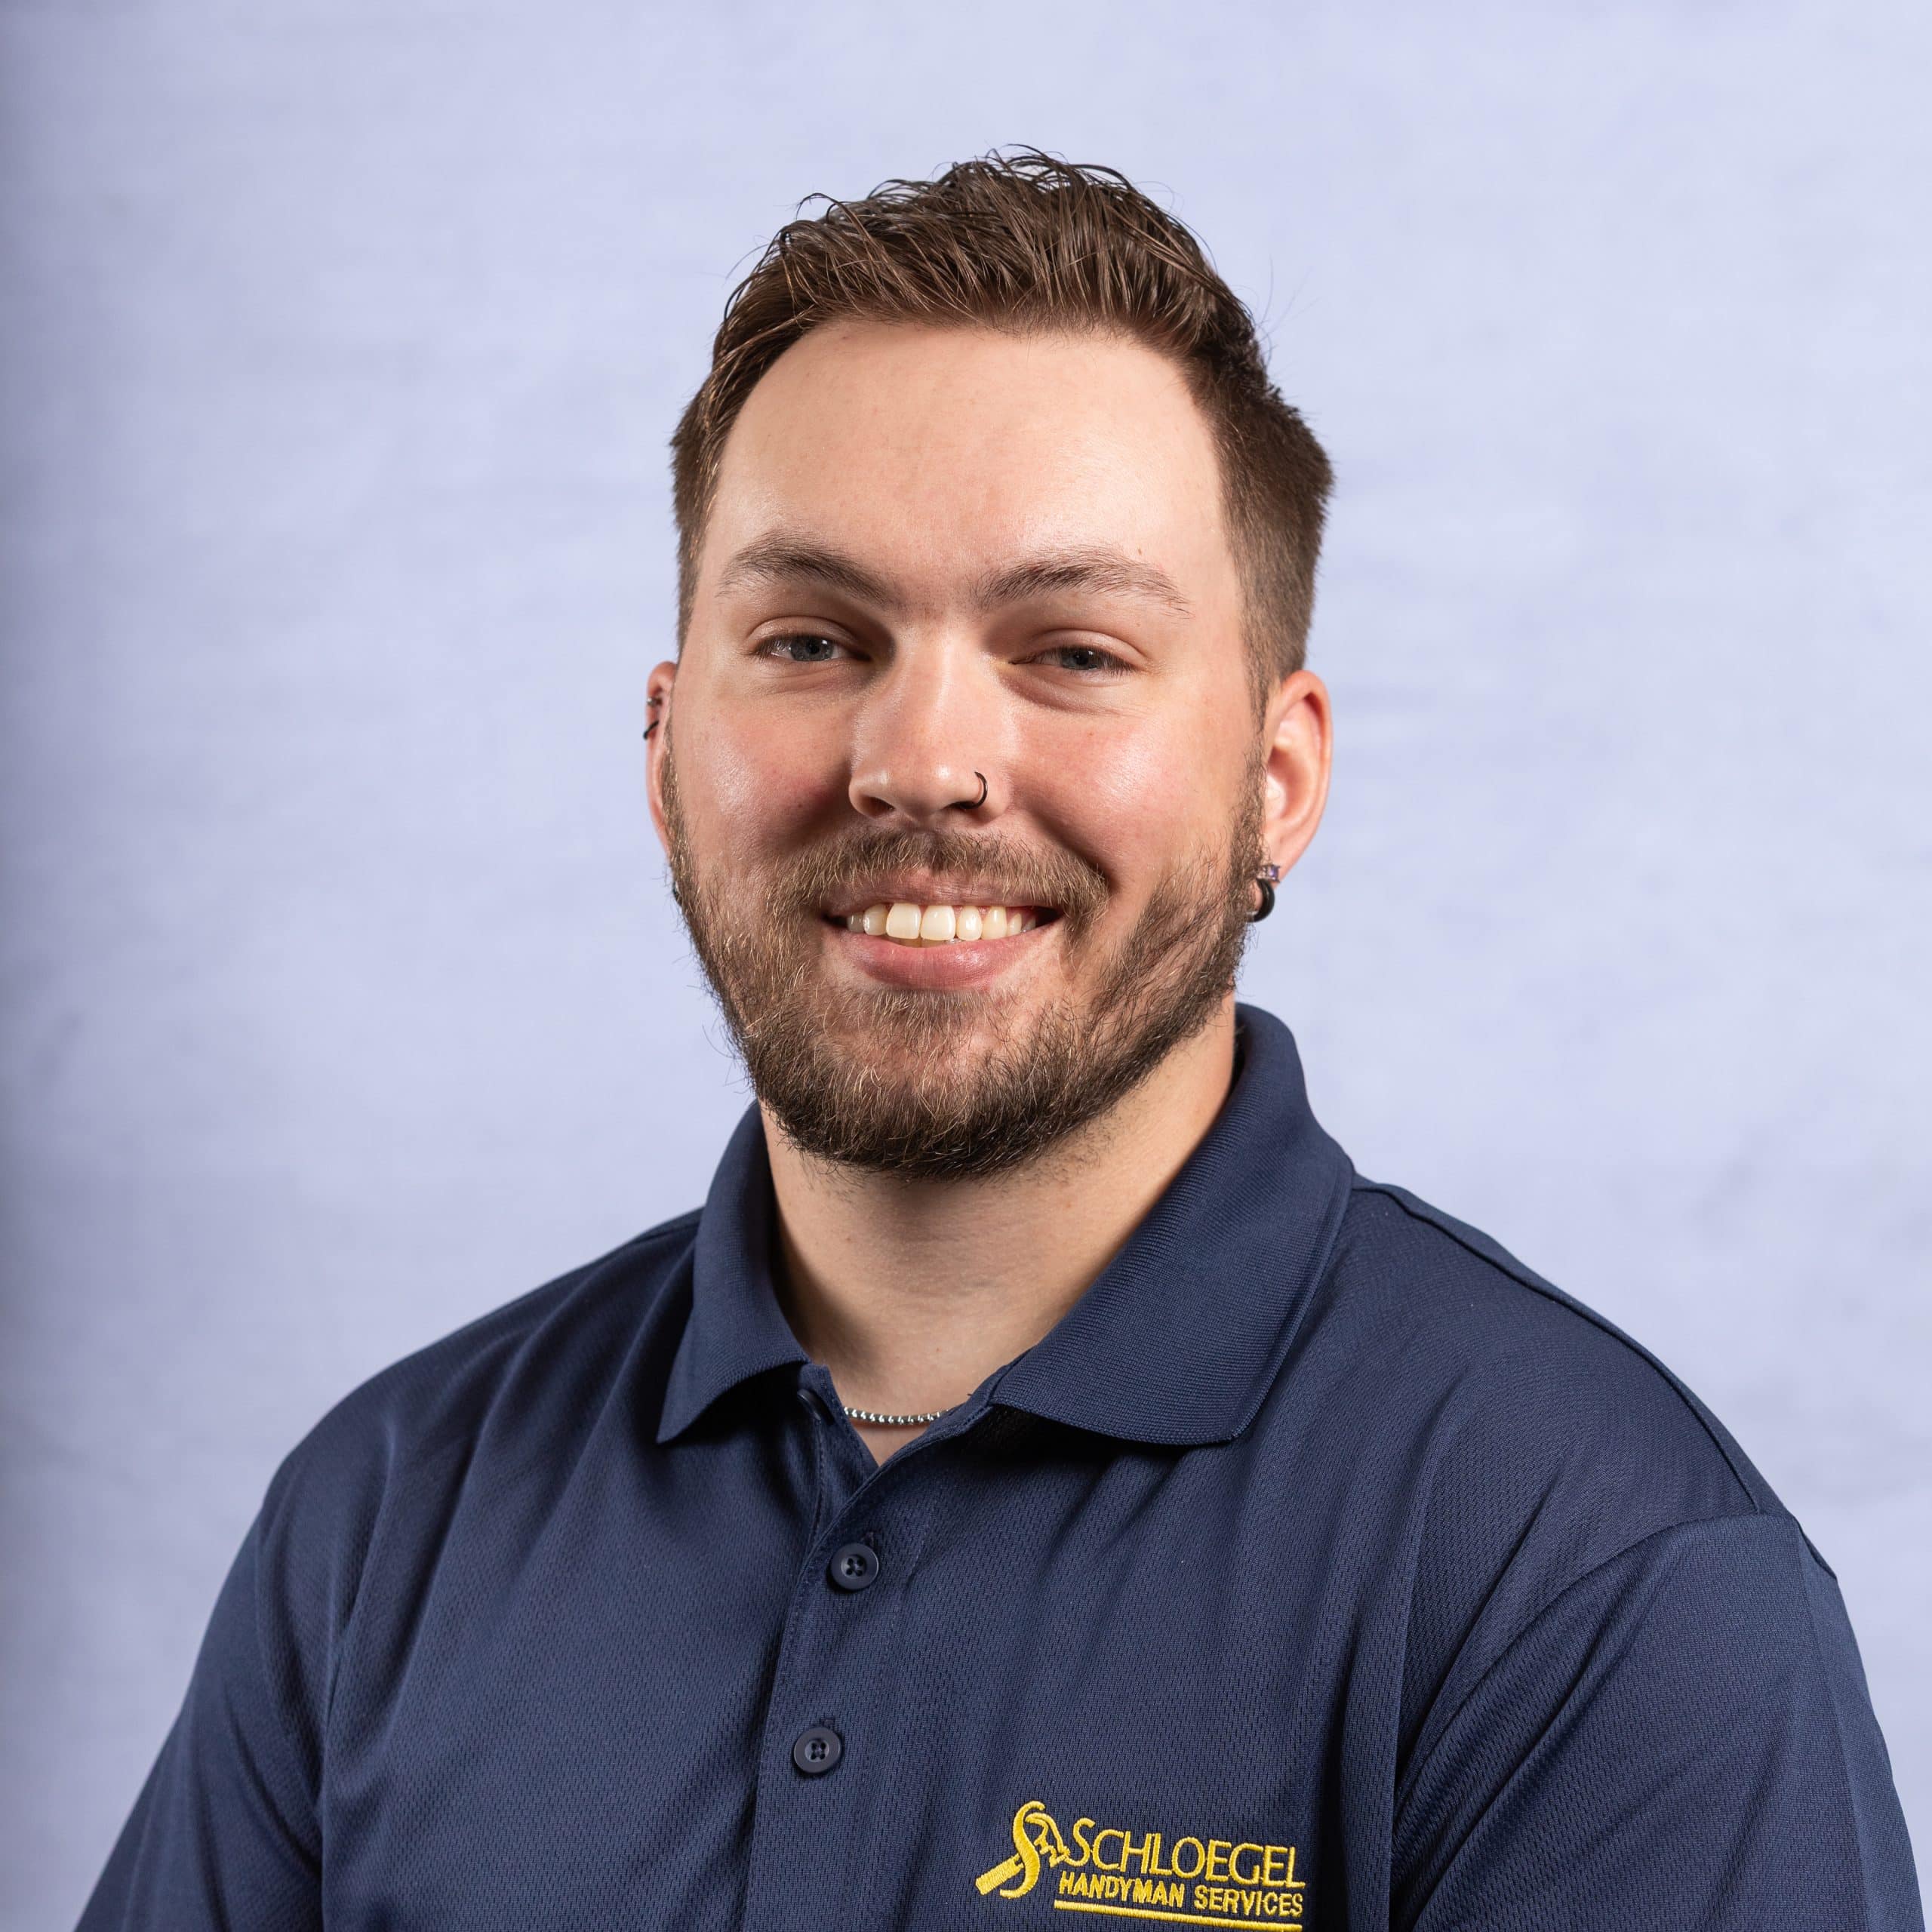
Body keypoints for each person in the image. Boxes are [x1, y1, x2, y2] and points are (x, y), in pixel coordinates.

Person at [78, 149, 1921, 1932]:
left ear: (1273, 779)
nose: (918, 759)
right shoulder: (390, 1509)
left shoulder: (1589, 1571)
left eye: (1071, 651)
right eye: (809, 639)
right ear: (662, 747)